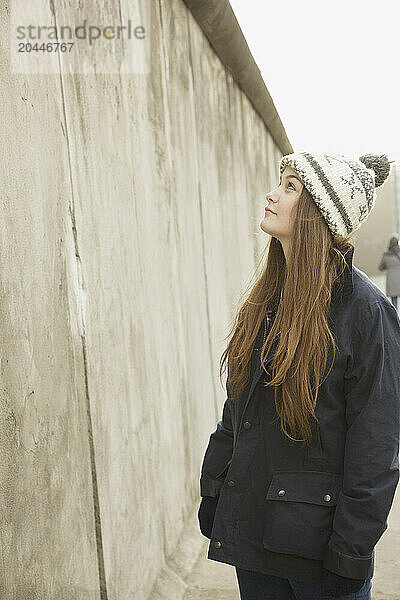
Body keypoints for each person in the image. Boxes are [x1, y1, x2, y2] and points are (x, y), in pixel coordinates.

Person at [197, 152, 400, 600]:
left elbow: (376, 447)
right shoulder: (269, 297)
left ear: (318, 214)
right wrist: (213, 487)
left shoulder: (366, 312)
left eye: (290, 187)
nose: (272, 194)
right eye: (280, 182)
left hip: (317, 553)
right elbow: (238, 410)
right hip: (253, 533)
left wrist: (351, 553)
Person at [378, 234, 400, 311]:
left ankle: (396, 318)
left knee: (394, 301)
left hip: (391, 280)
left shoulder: (386, 255)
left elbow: (380, 267)